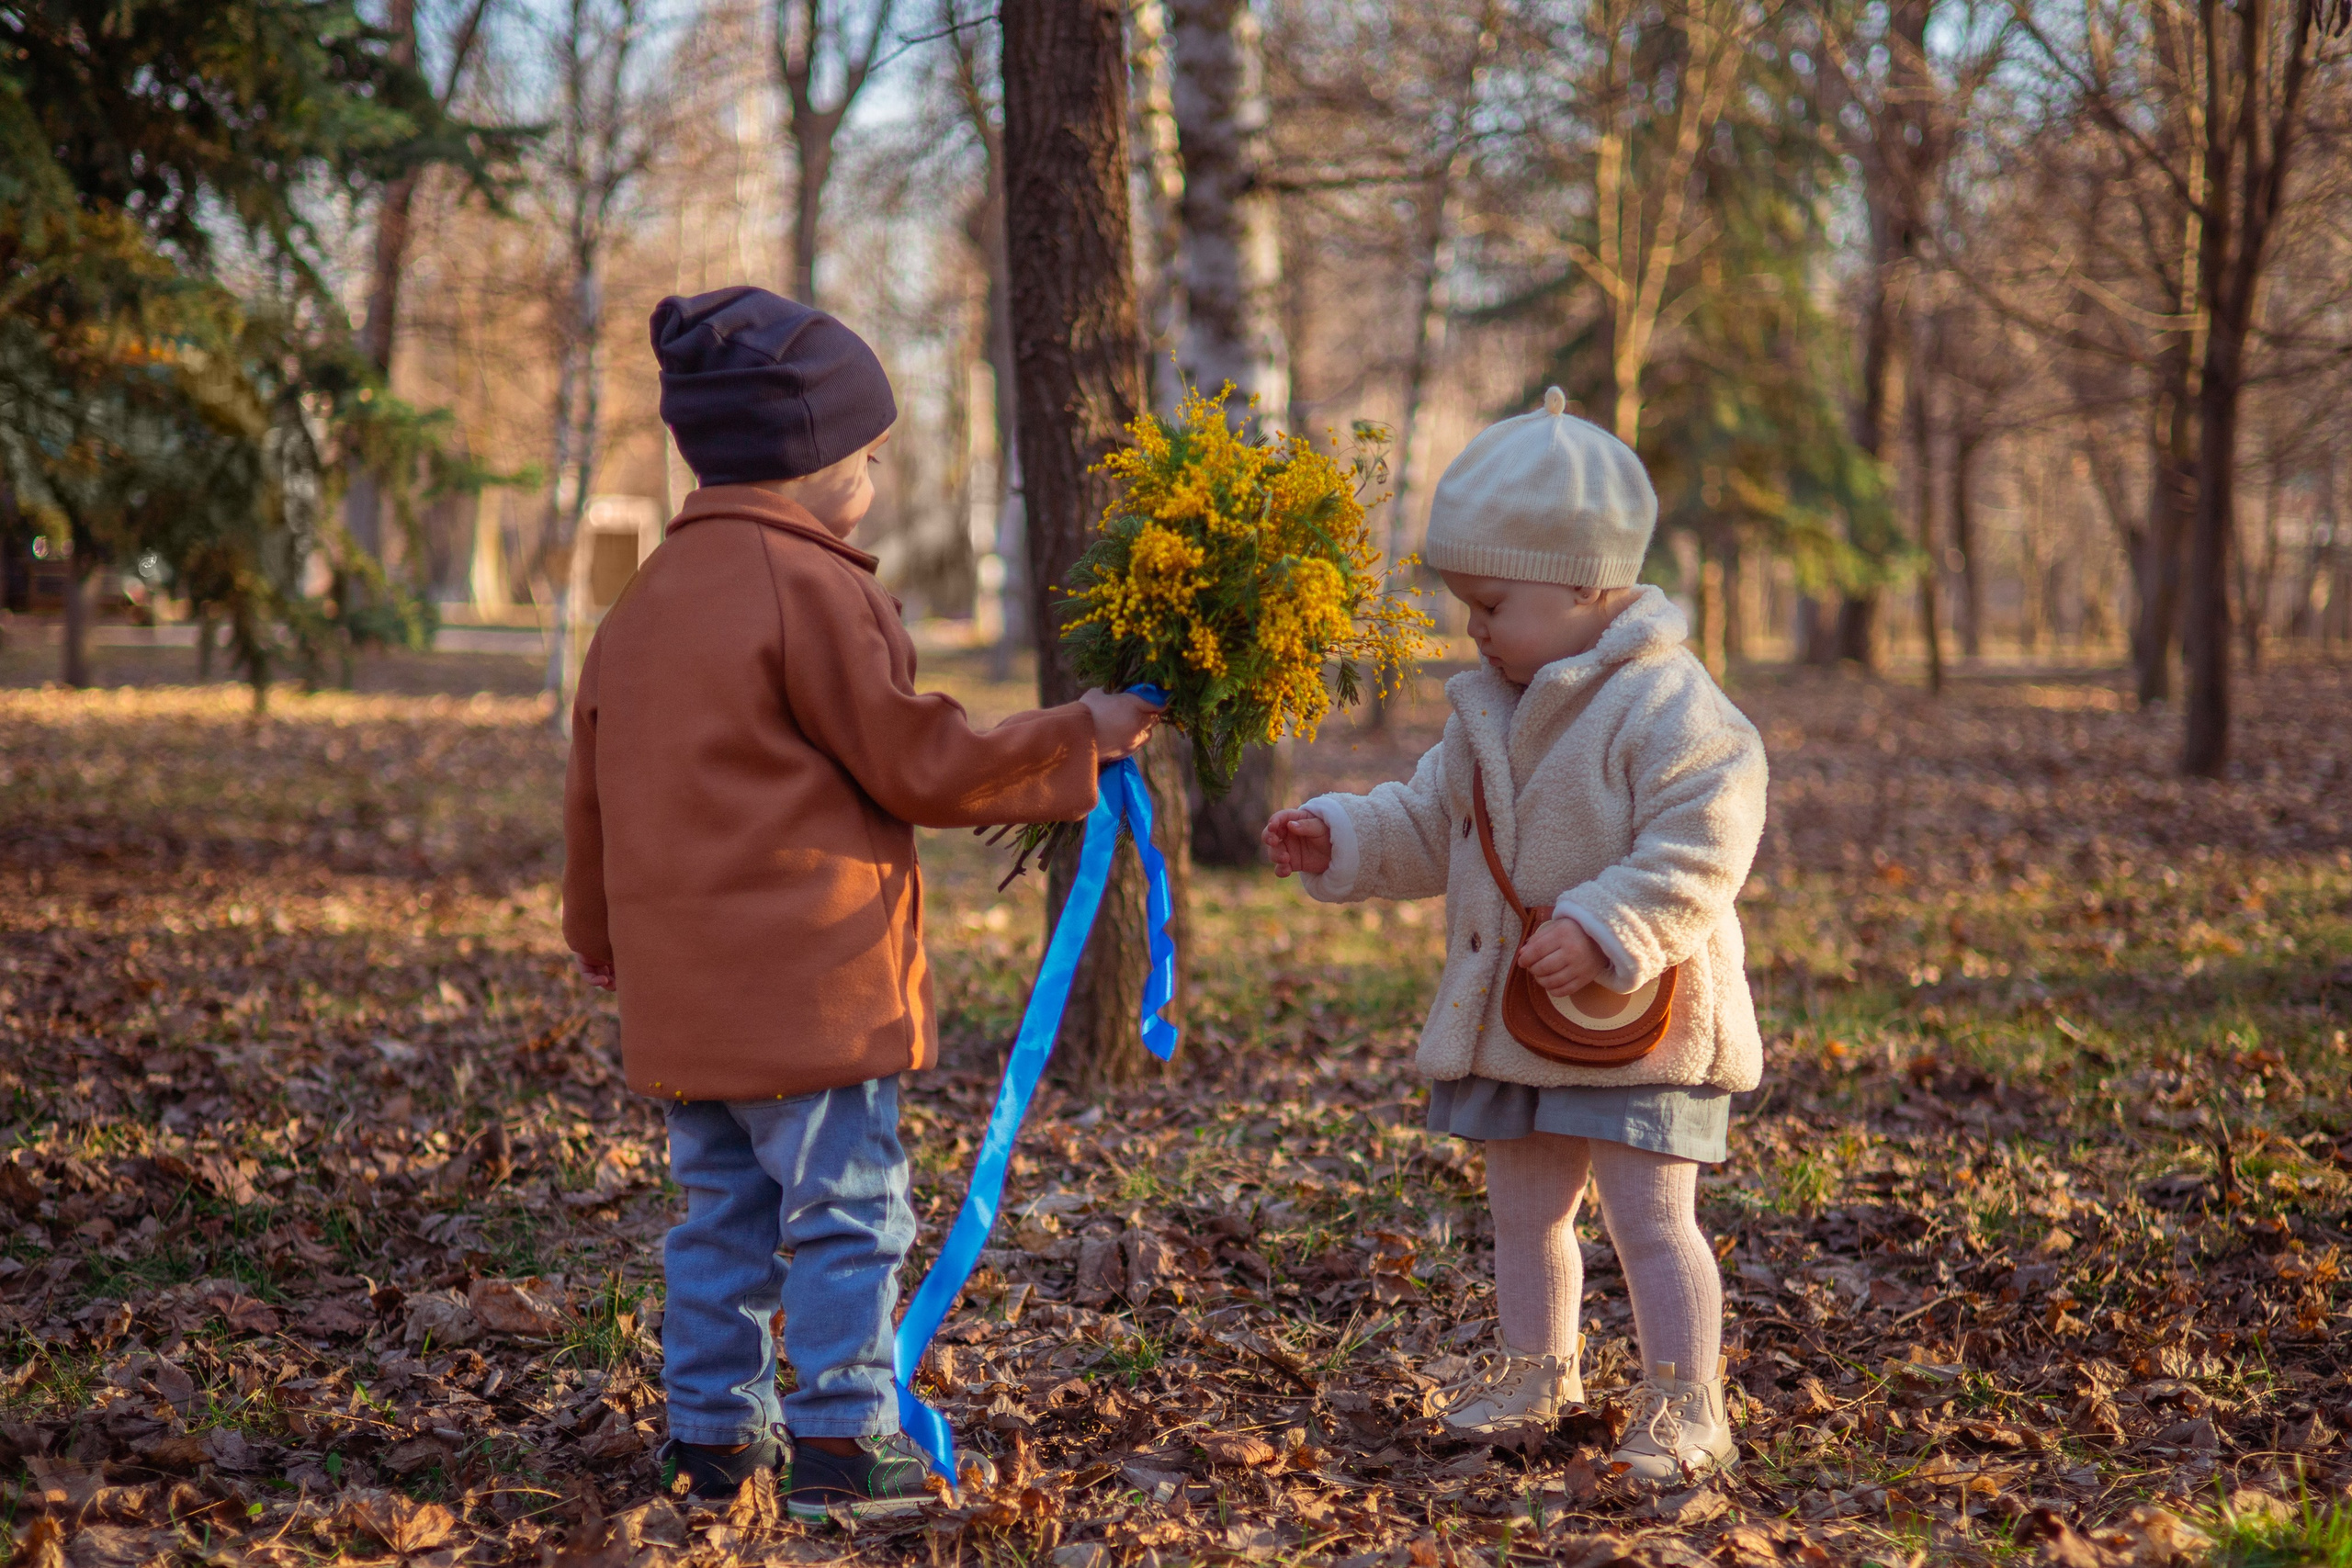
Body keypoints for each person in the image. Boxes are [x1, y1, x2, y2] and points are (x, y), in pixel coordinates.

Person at [562, 286, 1161, 1517]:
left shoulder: (638, 606)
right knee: (846, 1211)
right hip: (811, 986)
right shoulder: (812, 587)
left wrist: (600, 939)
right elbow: (913, 755)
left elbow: (594, 792)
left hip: (688, 1000)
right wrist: (1079, 736)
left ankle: (712, 1438)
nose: (878, 476)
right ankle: (844, 1437)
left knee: (719, 1220)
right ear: (809, 455)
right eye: (872, 452)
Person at [1261, 388, 1767, 1485]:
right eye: (1465, 605)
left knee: (1648, 1216)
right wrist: (1340, 836)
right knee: (1526, 1212)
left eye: (1492, 603)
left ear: (1588, 583)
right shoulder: (1487, 706)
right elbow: (1431, 819)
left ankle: (1689, 1403)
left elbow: (1708, 838)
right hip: (1514, 1019)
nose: (1474, 629)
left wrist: (1607, 925)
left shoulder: (1668, 705)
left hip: (1641, 1016)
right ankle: (1539, 1368)